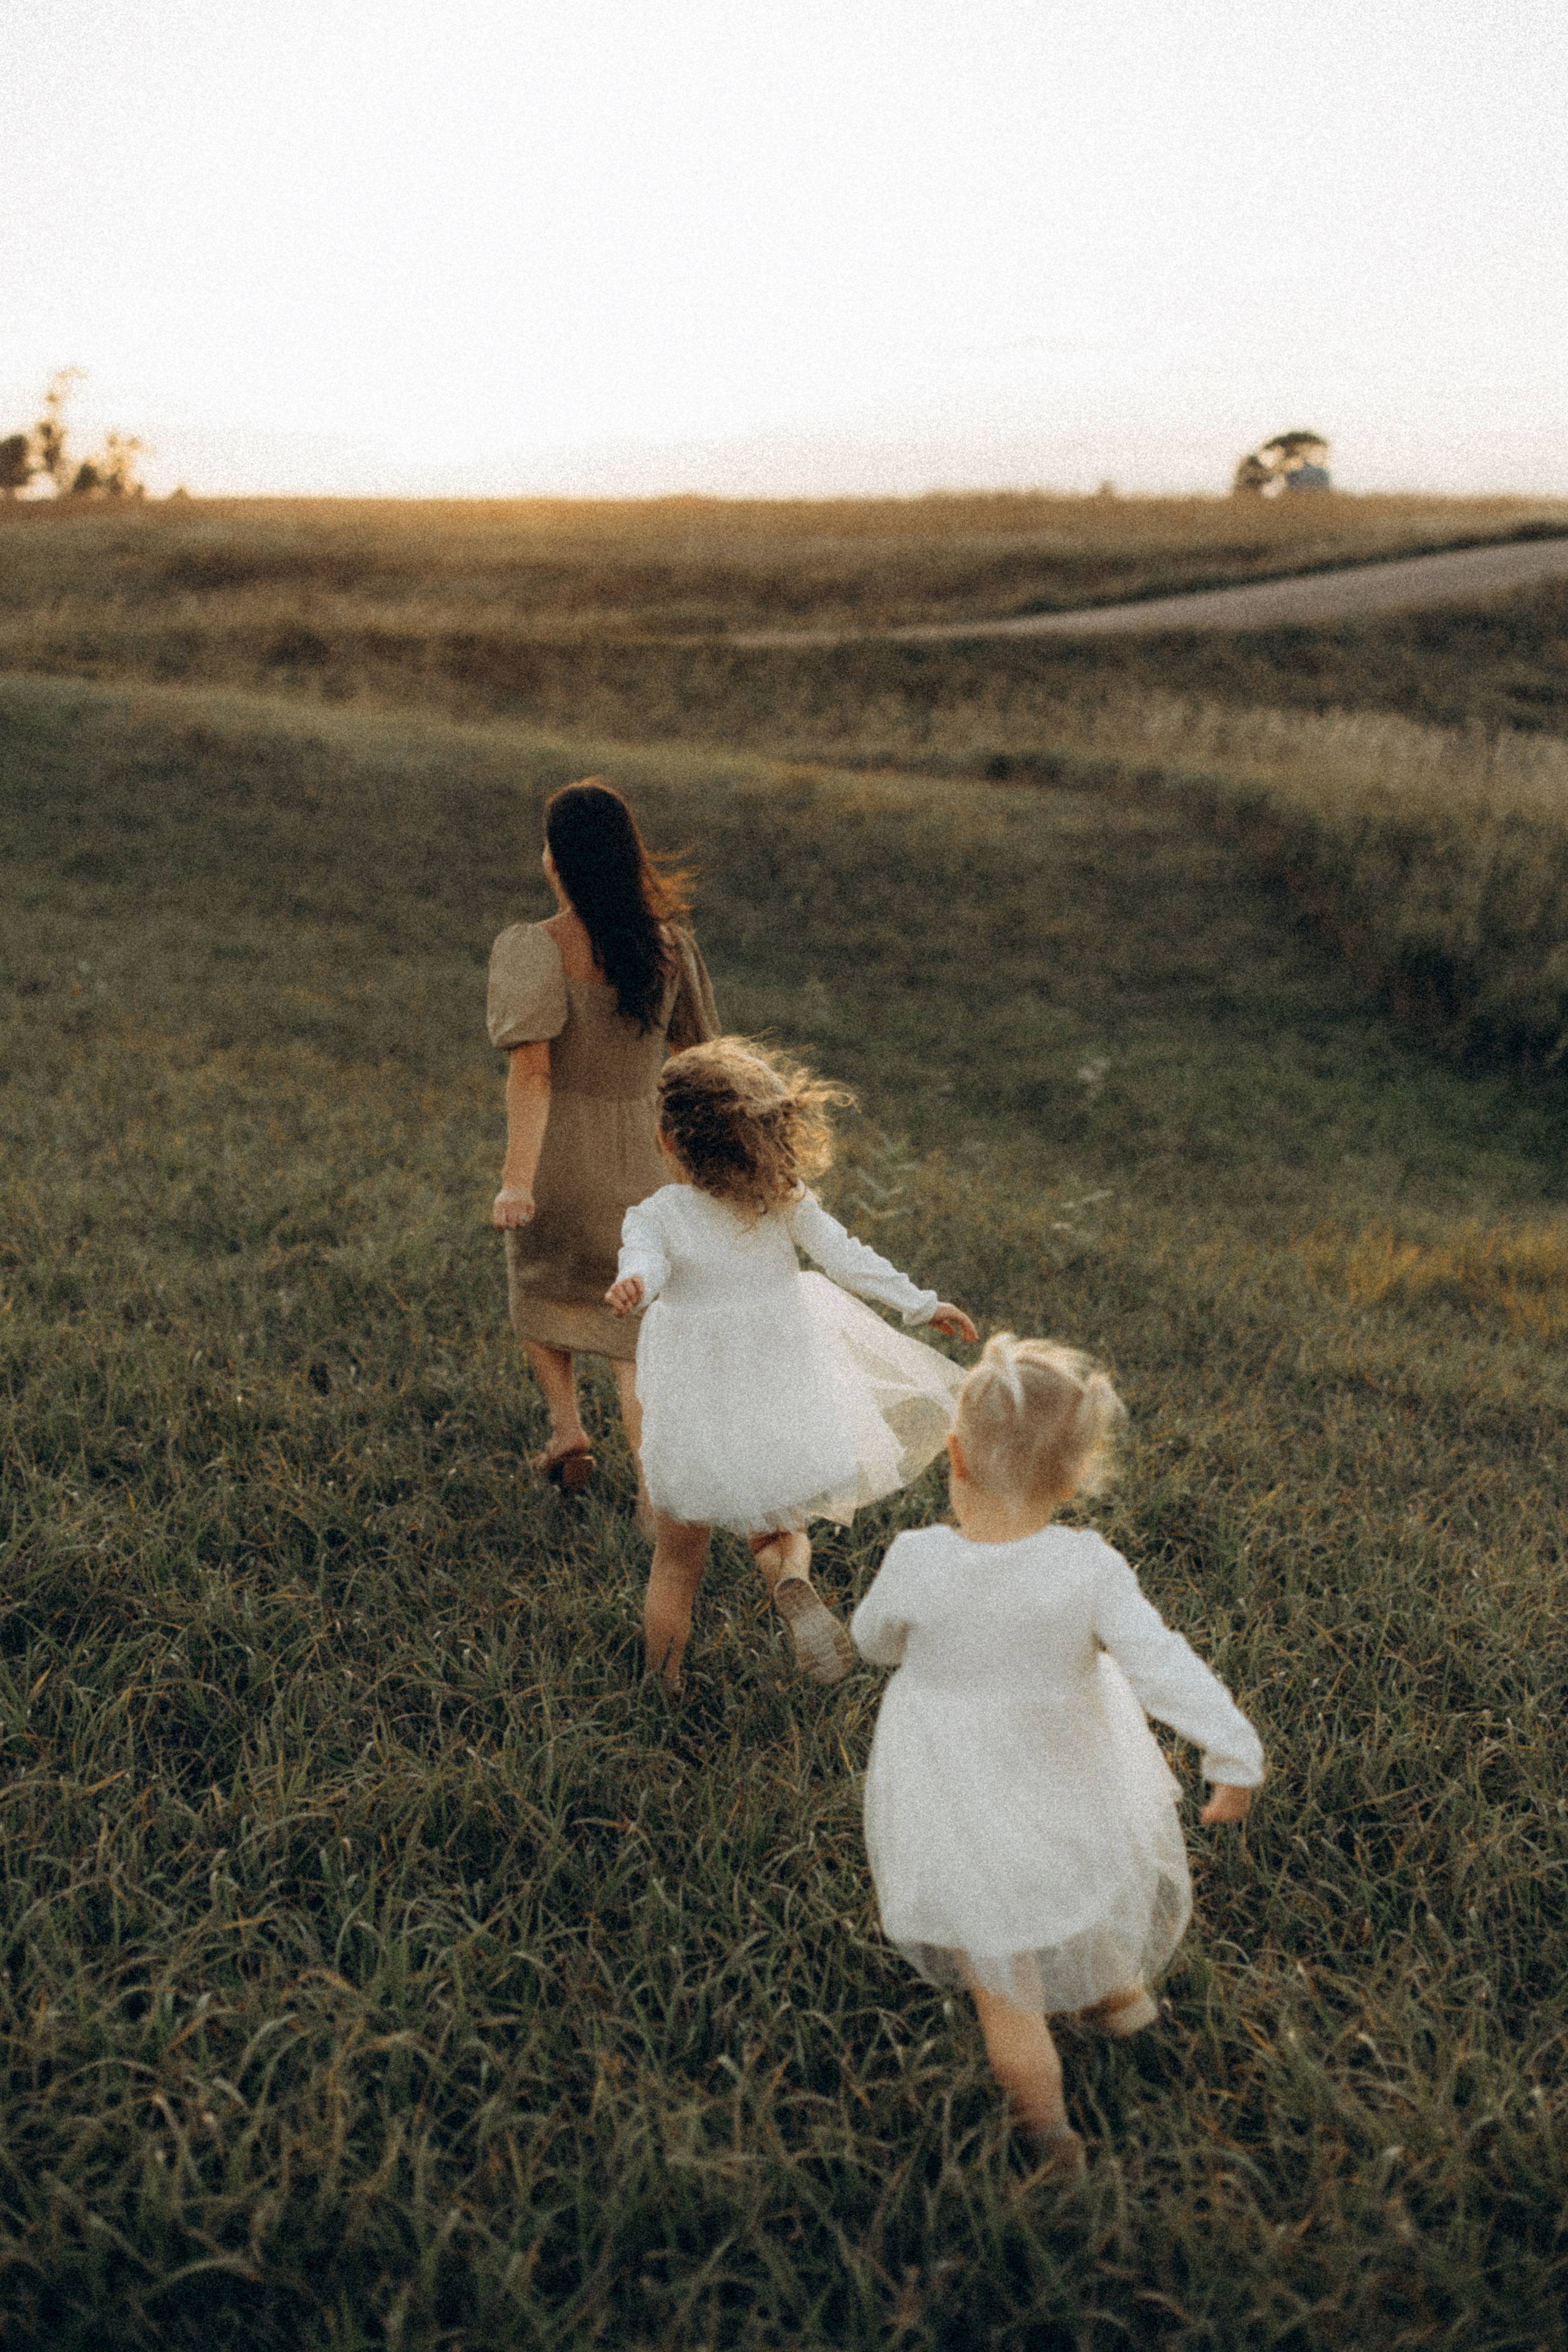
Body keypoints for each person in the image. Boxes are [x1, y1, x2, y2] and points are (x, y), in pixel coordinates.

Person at [850, 1335, 1264, 2177]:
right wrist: (1232, 1746)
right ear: (1074, 1479)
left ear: (953, 1457)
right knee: (1067, 1890)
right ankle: (1122, 2004)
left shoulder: (918, 1560)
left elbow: (872, 1642)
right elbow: (1161, 1664)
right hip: (1066, 1782)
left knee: (1002, 1983)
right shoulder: (1089, 1566)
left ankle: (1050, 2135)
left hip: (959, 1796)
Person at [604, 1038, 978, 1692]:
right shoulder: (780, 1197)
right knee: (780, 1526)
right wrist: (920, 1305)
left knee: (676, 1560)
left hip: (700, 1393)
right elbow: (845, 1255)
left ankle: (660, 1687)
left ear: (668, 1142)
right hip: (779, 1381)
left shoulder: (658, 1214)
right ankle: (792, 1578)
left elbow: (648, 1261)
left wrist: (634, 1281)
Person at [489, 780, 719, 1499]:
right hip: (648, 1162)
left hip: (560, 1159)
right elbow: (699, 1056)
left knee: (538, 1294)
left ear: (557, 860)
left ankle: (567, 1430)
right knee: (634, 1339)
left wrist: (517, 1181)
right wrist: (696, 1163)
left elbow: (533, 1078)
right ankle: (657, 1502)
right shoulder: (670, 948)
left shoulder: (535, 948)